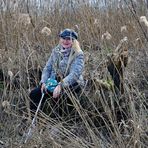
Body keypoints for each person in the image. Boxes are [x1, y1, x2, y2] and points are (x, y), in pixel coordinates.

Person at [29, 28, 84, 117]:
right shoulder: (56, 51)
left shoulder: (78, 54)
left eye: (68, 39)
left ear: (73, 41)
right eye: (63, 38)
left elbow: (75, 74)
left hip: (72, 82)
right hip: (54, 81)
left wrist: (60, 85)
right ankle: (35, 120)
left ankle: (60, 122)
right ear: (60, 39)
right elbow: (48, 68)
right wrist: (43, 81)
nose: (65, 41)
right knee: (35, 94)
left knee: (59, 96)